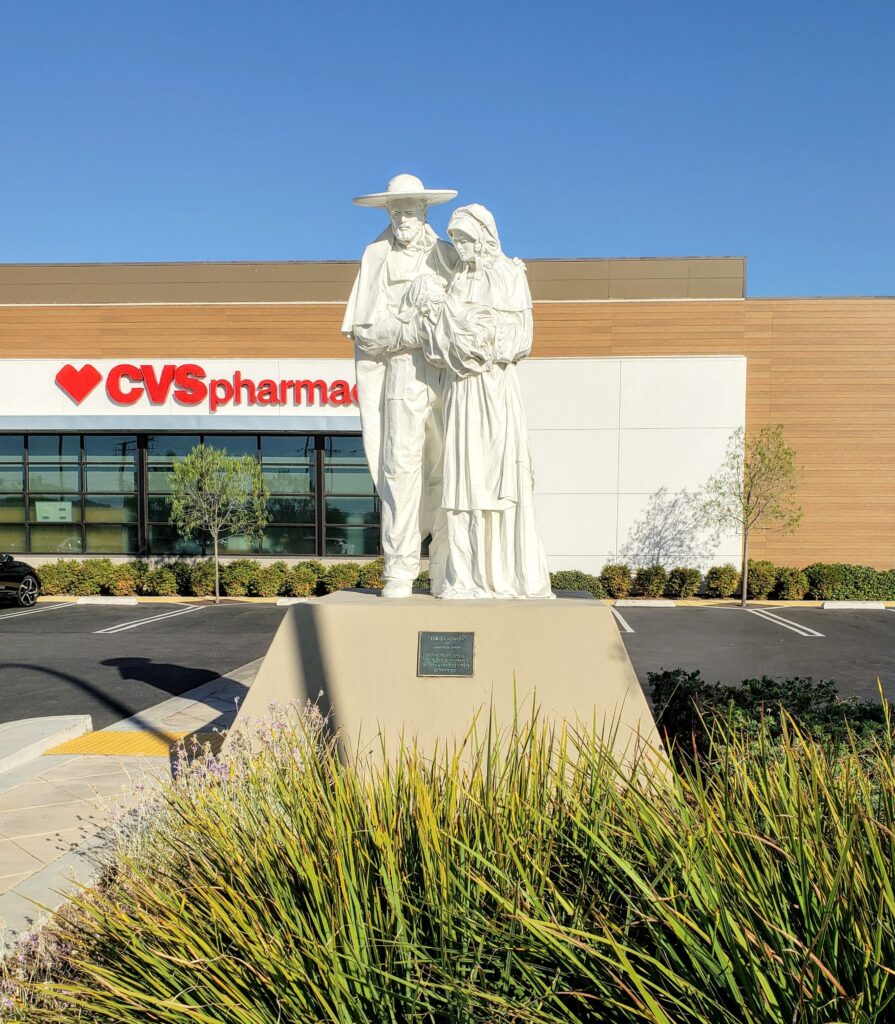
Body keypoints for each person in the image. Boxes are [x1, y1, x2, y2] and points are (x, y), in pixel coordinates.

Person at [410, 204, 553, 599]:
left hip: (493, 391)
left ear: (486, 237)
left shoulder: (509, 274)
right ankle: (466, 576)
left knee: (494, 475)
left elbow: (519, 339)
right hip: (461, 392)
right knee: (464, 478)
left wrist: (469, 332)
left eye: (466, 239)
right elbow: (438, 348)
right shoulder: (456, 280)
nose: (460, 246)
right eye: (455, 239)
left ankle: (504, 573)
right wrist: (449, 323)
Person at [341, 174, 458, 598]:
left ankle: (446, 566)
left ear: (425, 211)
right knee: (400, 469)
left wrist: (431, 329)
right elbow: (366, 332)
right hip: (402, 373)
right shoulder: (376, 256)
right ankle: (400, 567)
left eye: (409, 211)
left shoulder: (448, 255)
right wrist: (413, 329)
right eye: (395, 211)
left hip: (447, 376)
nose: (402, 219)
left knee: (451, 468)